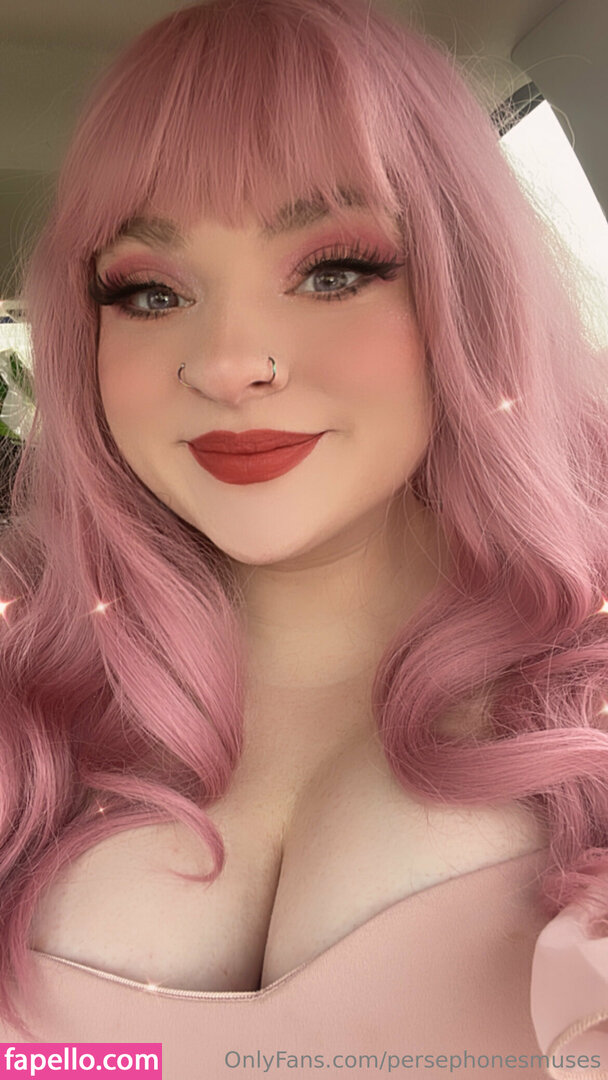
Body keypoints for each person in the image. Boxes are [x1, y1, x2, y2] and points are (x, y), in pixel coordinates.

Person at [0, 0, 607, 1075]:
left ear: (466, 290)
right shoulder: (30, 701)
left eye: (333, 272)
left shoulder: (588, 679)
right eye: (150, 291)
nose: (228, 363)